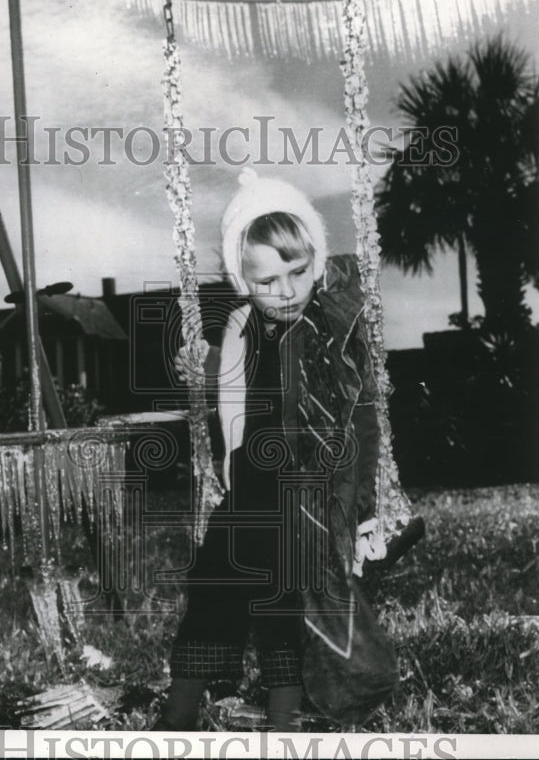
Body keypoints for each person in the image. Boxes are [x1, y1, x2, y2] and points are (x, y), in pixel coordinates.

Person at [154, 168, 406, 732]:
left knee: (283, 605)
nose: (287, 291)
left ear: (316, 261)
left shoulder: (332, 329)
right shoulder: (242, 323)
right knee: (212, 588)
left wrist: (364, 511)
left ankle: (283, 716)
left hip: (306, 491)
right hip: (250, 484)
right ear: (241, 279)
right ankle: (178, 711)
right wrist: (202, 368)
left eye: (298, 272)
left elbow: (364, 420)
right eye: (267, 280)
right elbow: (238, 385)